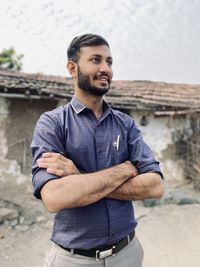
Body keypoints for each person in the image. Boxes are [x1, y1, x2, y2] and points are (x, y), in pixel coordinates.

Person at [31, 33, 164, 267]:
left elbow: (155, 186)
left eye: (109, 62)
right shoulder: (52, 123)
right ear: (73, 68)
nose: (106, 68)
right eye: (96, 60)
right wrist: (125, 169)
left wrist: (77, 179)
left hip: (127, 254)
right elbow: (54, 197)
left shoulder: (126, 124)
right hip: (73, 259)